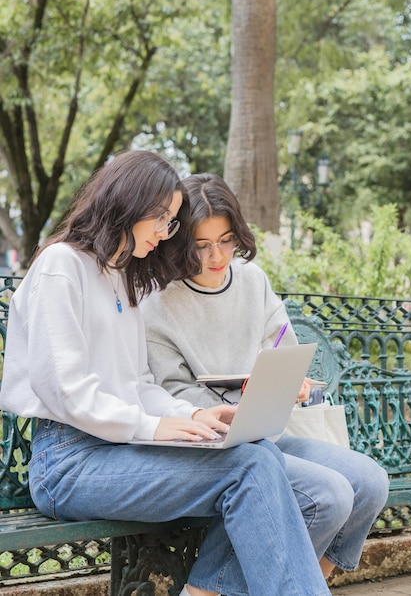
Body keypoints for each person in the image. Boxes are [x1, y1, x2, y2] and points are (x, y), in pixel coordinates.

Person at [0, 151, 331, 596]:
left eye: (171, 221)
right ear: (126, 204)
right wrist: (154, 426)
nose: (165, 232)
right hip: (68, 463)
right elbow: (65, 390)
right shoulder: (62, 266)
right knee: (249, 469)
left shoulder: (122, 278)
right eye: (160, 217)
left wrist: (192, 418)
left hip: (118, 449)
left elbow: (139, 385)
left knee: (258, 457)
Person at [141, 172, 390, 583]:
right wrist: (233, 409)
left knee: (370, 482)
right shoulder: (160, 302)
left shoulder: (252, 281)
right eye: (202, 245)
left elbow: (280, 345)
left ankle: (309, 584)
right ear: (180, 241)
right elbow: (173, 392)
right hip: (212, 446)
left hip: (267, 432)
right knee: (329, 494)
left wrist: (289, 381)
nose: (217, 256)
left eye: (225, 240)